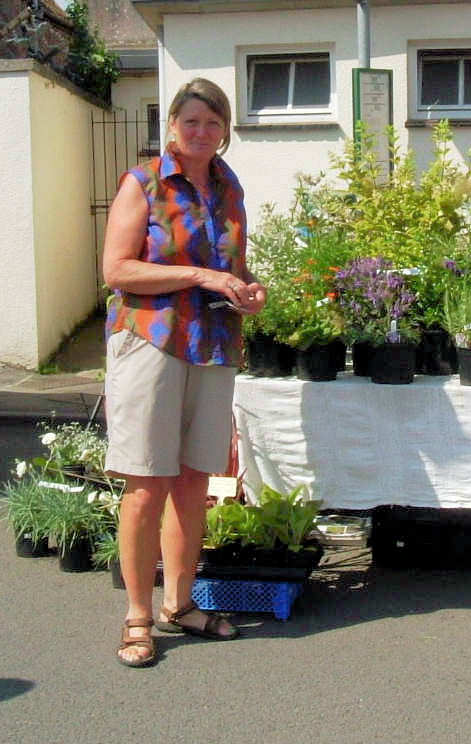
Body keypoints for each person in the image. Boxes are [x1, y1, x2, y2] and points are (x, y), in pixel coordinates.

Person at [102, 78, 266, 667]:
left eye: (213, 123)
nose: (202, 132)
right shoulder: (142, 182)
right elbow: (117, 270)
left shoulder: (228, 187)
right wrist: (199, 278)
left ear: (225, 131)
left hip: (214, 344)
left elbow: (232, 266)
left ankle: (180, 603)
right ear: (172, 126)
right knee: (147, 482)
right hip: (151, 342)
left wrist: (245, 291)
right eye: (191, 121)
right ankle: (138, 616)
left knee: (195, 481)